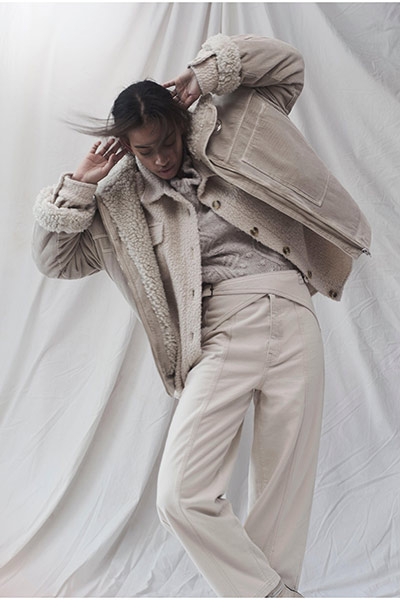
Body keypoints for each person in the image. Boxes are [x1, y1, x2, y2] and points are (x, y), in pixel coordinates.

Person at [32, 33, 372, 598]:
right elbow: (54, 260)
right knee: (181, 495)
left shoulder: (232, 129)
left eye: (167, 142)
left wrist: (205, 73)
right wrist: (80, 185)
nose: (162, 159)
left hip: (291, 308)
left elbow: (288, 67)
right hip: (220, 332)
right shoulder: (120, 204)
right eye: (145, 151)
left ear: (180, 123)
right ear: (126, 149)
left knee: (282, 495)